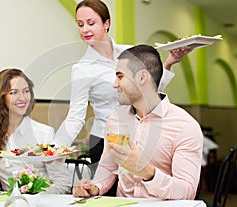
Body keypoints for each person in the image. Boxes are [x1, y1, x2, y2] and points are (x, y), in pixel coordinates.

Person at [54, 0, 192, 167]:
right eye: (80, 24)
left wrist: (169, 63)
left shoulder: (130, 52)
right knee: (107, 191)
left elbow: (149, 93)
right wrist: (54, 150)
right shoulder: (82, 69)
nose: (85, 30)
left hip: (137, 136)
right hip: (105, 140)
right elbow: (75, 116)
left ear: (106, 23)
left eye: (91, 23)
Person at [72, 44, 203, 200]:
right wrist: (95, 187)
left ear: (142, 77)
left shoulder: (185, 126)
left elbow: (187, 192)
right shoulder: (115, 119)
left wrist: (146, 171)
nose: (115, 84)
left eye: (120, 76)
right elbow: (108, 166)